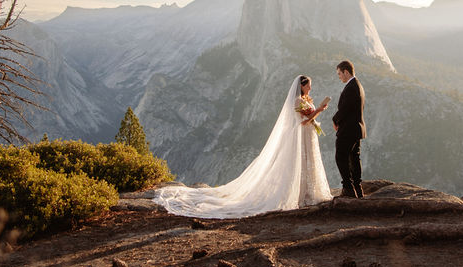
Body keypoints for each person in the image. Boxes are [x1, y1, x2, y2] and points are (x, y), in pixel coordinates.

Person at [152, 75, 332, 218]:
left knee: (308, 162)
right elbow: (303, 121)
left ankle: (306, 192)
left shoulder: (305, 99)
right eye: (308, 85)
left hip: (307, 136)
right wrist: (318, 111)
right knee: (298, 162)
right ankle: (299, 194)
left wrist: (315, 112)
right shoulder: (297, 102)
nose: (310, 88)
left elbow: (308, 120)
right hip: (300, 135)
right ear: (301, 85)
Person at [332, 59, 366, 198]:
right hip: (357, 128)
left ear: (346, 72)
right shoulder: (358, 85)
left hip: (348, 129)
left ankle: (348, 188)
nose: (339, 76)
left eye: (339, 73)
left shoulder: (352, 87)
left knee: (341, 156)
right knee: (354, 158)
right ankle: (357, 188)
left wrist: (335, 119)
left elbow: (345, 108)